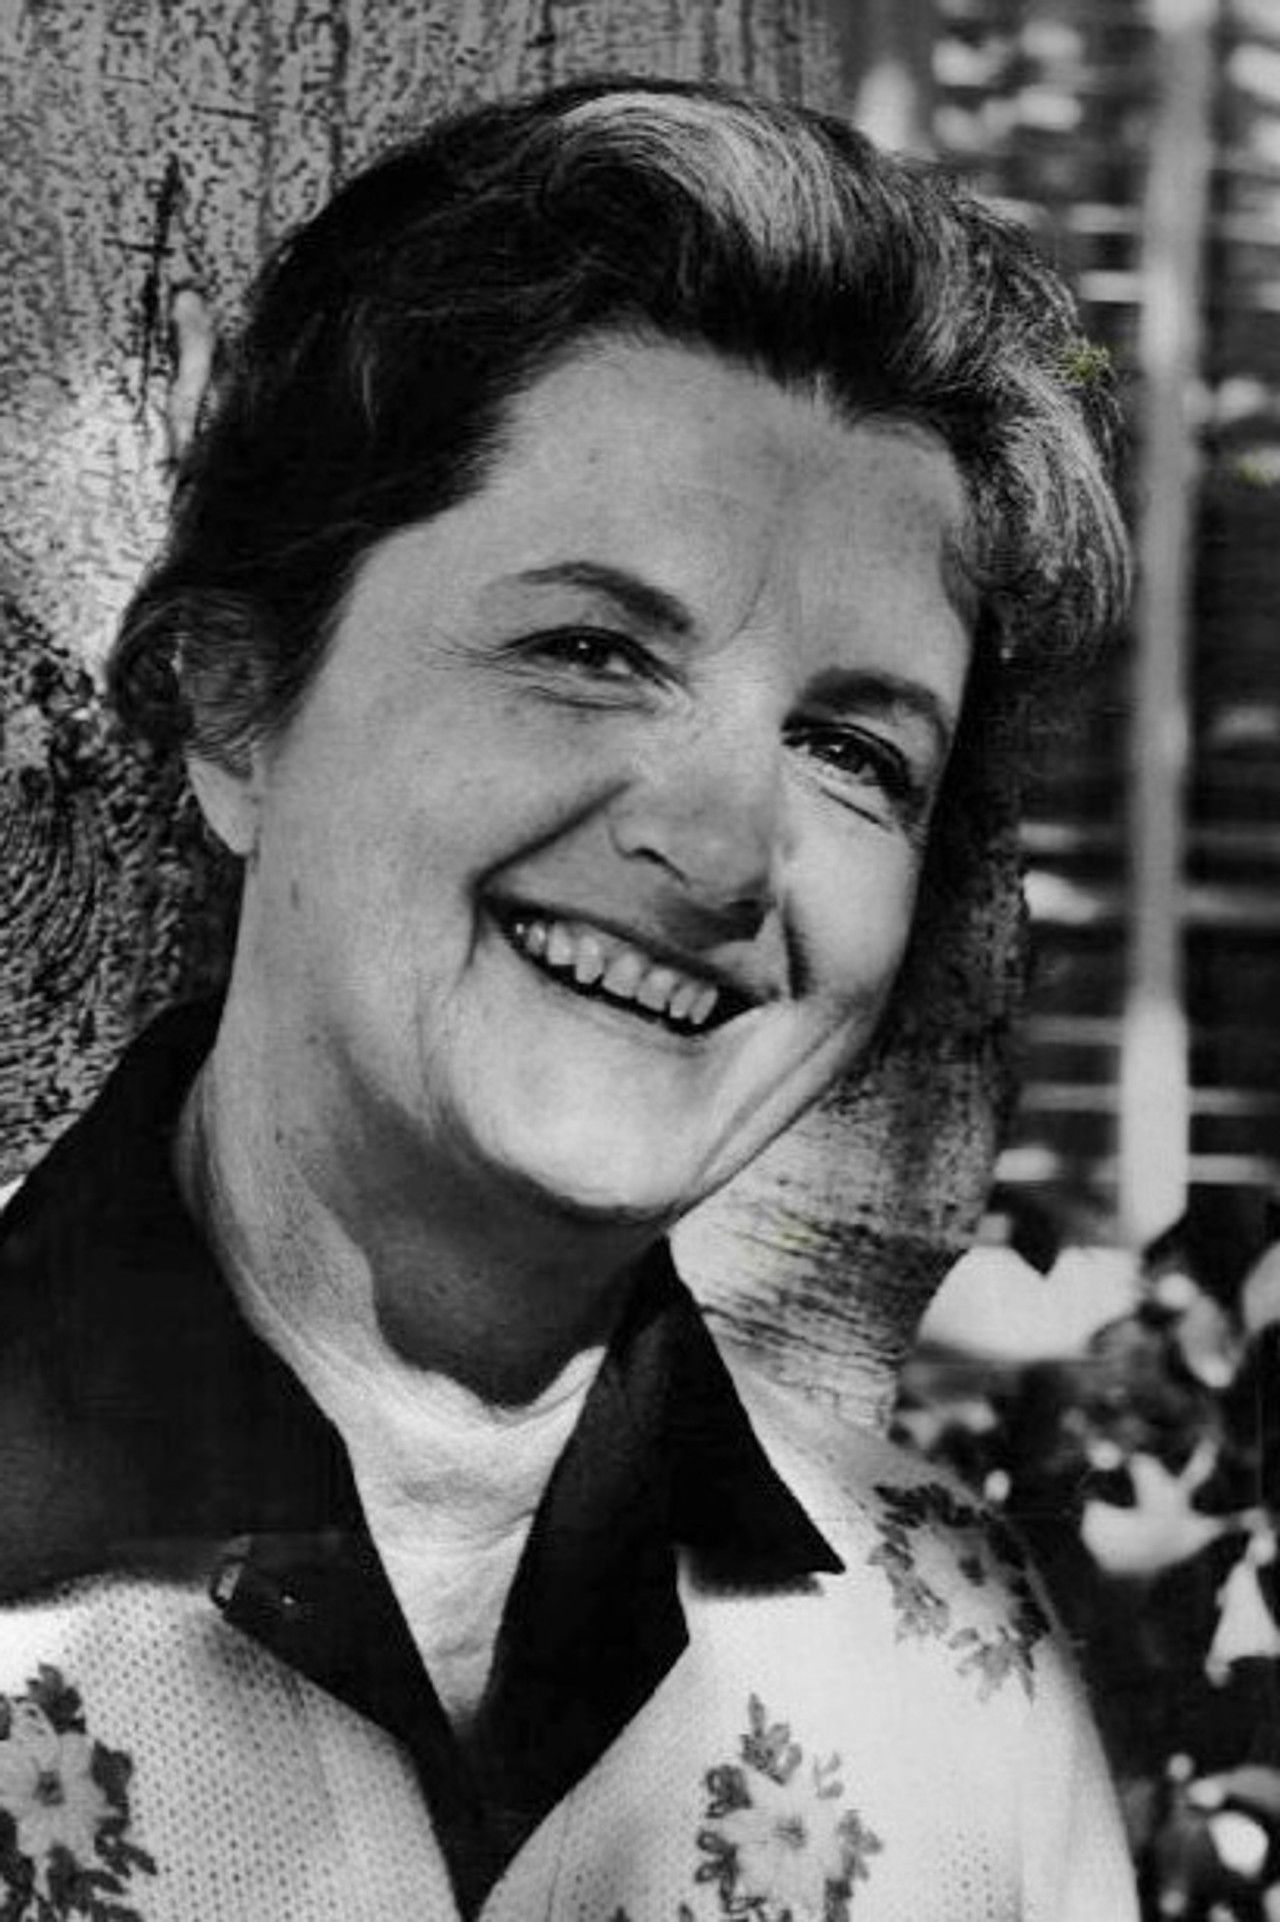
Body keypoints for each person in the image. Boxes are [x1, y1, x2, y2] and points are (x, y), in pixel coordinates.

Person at [0, 77, 1136, 1921]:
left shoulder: (962, 1669)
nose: (724, 848)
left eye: (855, 750)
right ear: (233, 698)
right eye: (591, 648)